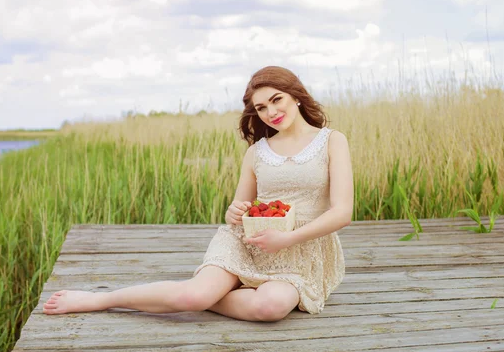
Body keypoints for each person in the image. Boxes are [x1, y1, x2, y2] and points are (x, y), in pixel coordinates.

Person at [43, 65, 354, 322]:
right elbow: (239, 207)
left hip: (300, 251)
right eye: (261, 107)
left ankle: (208, 294)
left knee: (270, 306)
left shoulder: (331, 141)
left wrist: (286, 238)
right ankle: (101, 299)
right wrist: (234, 211)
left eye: (277, 100)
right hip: (250, 242)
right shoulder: (257, 152)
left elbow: (342, 212)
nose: (270, 111)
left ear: (296, 96)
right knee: (195, 295)